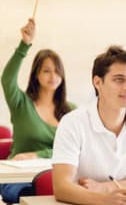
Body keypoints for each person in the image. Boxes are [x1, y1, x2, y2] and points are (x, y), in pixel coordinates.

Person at [52, 46, 126, 205]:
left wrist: (105, 188)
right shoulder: (72, 122)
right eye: (119, 79)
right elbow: (62, 187)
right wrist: (104, 200)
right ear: (97, 82)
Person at [0, 18, 74, 203]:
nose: (53, 76)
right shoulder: (21, 103)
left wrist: (38, 154)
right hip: (21, 179)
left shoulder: (71, 111)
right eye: (47, 71)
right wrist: (24, 44)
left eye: (57, 71)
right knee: (34, 192)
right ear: (36, 74)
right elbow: (7, 79)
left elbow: (76, 149)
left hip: (57, 175)